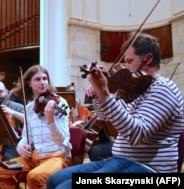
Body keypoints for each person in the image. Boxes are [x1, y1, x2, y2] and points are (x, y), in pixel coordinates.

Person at [46, 33, 184, 189]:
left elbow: (136, 134)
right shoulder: (135, 90)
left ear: (148, 59)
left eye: (130, 61)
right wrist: (99, 96)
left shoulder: (163, 89)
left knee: (65, 187)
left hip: (148, 169)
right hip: (120, 161)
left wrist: (106, 94)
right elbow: (105, 115)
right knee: (55, 180)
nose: (125, 68)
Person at [0, 65, 72, 189]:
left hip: (57, 156)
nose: (43, 82)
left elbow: (62, 140)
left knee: (34, 177)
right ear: (29, 83)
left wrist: (51, 120)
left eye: (45, 79)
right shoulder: (29, 107)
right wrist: (20, 147)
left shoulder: (59, 103)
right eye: (38, 79)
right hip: (34, 157)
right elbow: (25, 135)